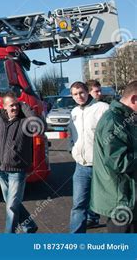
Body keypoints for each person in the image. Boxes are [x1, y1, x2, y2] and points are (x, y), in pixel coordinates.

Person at [0, 92, 41, 233]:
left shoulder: (25, 121)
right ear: (4, 107)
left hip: (18, 171)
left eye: (17, 104)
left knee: (11, 207)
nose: (15, 108)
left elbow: (40, 127)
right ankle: (29, 225)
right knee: (11, 203)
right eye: (12, 105)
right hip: (1, 169)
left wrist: (25, 107)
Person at [90, 80, 137, 233]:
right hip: (122, 200)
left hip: (127, 197)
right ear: (134, 99)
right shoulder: (114, 121)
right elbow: (119, 162)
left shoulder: (124, 117)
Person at [68, 81, 109, 233]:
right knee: (78, 204)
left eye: (81, 92)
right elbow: (71, 135)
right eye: (75, 94)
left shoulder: (103, 108)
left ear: (87, 92)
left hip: (101, 166)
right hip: (81, 167)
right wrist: (72, 150)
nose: (79, 96)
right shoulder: (74, 112)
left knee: (110, 205)